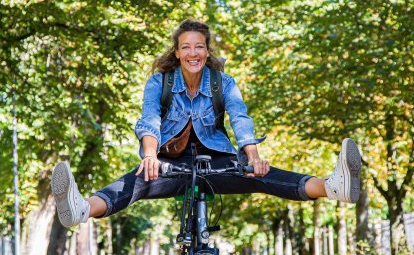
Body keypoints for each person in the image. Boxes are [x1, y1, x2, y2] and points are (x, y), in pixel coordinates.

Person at [52, 19, 362, 228]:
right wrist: (149, 156)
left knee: (262, 175)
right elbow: (149, 120)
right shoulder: (159, 82)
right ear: (177, 53)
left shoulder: (223, 83)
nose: (192, 52)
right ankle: (81, 209)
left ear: (207, 51)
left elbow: (240, 118)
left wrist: (252, 155)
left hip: (216, 164)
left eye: (199, 46)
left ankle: (334, 187)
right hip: (169, 166)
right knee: (134, 183)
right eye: (186, 47)